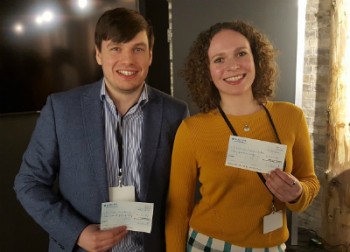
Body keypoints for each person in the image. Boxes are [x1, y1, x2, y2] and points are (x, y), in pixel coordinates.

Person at [14, 7, 188, 252]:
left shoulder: (174, 113)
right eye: (116, 48)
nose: (128, 60)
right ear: (98, 54)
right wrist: (77, 233)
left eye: (137, 49)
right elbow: (29, 183)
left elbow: (184, 191)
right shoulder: (61, 109)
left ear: (150, 55)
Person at [165, 20, 320, 251]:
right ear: (207, 71)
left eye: (241, 54)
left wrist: (298, 192)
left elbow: (310, 181)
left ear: (256, 58)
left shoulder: (291, 117)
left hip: (272, 245)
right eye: (219, 59)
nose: (233, 66)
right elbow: (178, 210)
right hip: (207, 245)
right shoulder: (192, 130)